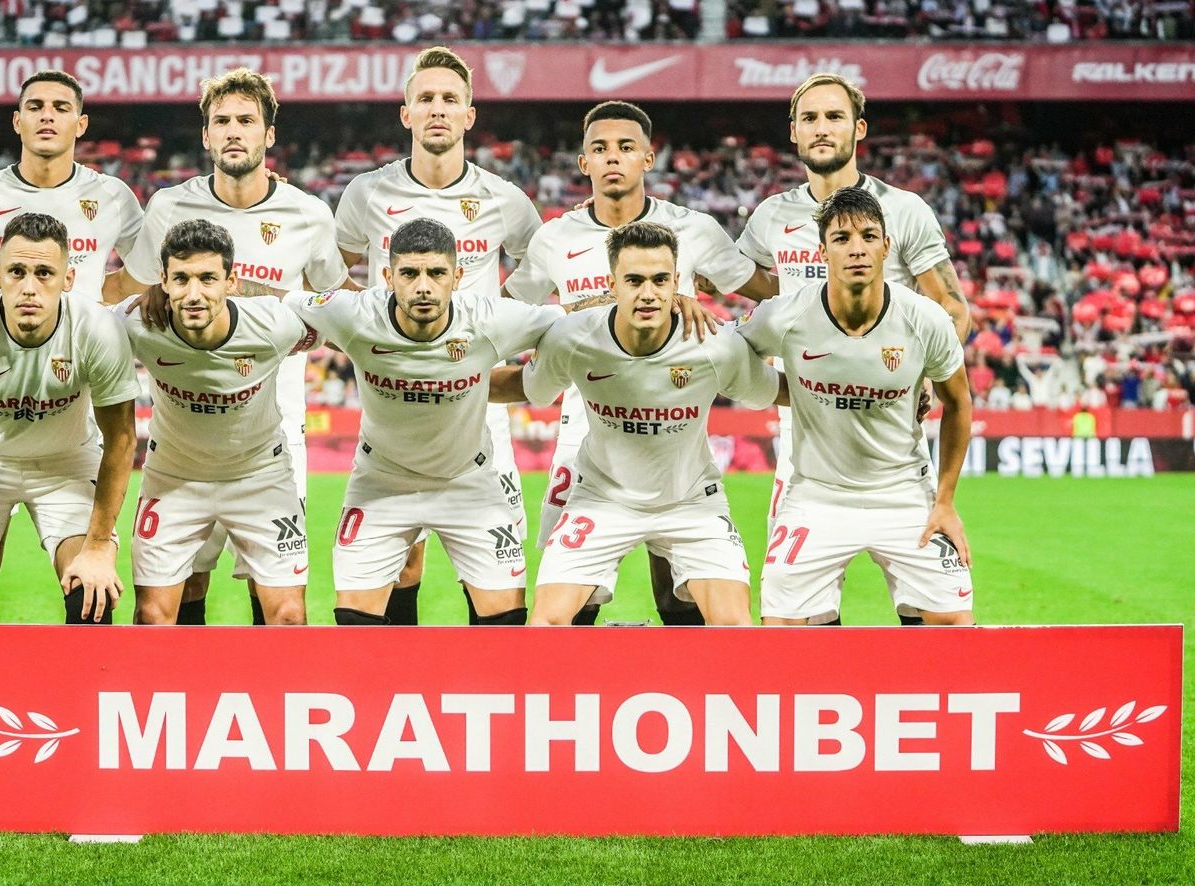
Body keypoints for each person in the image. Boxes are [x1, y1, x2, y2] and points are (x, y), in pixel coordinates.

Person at [504, 99, 777, 625]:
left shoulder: (694, 230)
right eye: (600, 149)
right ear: (583, 163)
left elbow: (768, 294)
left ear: (649, 157)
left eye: (626, 148)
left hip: (671, 414)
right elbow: (510, 316)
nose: (613, 159)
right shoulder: (554, 238)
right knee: (575, 591)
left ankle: (682, 689)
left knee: (679, 585)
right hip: (587, 417)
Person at [106, 67, 351, 625]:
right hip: (185, 427)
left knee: (272, 585)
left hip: (277, 429)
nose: (234, 131)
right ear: (206, 136)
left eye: (247, 120)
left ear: (269, 135)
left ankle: (263, 699)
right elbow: (134, 292)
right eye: (222, 121)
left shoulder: (308, 213)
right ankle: (192, 700)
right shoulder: (169, 207)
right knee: (188, 578)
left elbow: (338, 304)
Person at [737, 72, 970, 625]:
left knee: (939, 618)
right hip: (805, 441)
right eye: (810, 118)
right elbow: (755, 294)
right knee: (796, 617)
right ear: (793, 132)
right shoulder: (772, 216)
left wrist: (922, 378)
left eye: (834, 117)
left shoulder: (904, 210)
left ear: (858, 129)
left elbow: (953, 309)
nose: (822, 128)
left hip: (892, 429)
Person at [0, 69, 143, 622]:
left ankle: (77, 707)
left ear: (80, 122)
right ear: (17, 121)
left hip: (68, 427)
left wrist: (96, 307)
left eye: (60, 106)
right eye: (35, 106)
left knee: (92, 592)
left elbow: (148, 272)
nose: (47, 115)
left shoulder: (112, 196)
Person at [333, 45, 541, 623]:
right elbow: (330, 269)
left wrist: (501, 322)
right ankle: (400, 682)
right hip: (396, 395)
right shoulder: (367, 193)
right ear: (406, 114)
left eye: (450, 99)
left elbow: (541, 271)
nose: (437, 110)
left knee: (495, 580)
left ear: (469, 116)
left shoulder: (505, 200)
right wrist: (370, 328)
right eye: (425, 99)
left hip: (477, 402)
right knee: (401, 563)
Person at [284, 218, 558, 625]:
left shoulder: (489, 318)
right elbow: (283, 305)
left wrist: (537, 383)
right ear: (388, 276)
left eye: (437, 273)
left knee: (506, 623)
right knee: (355, 621)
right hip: (382, 482)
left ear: (458, 276)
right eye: (410, 273)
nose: (424, 286)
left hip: (469, 483)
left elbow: (568, 328)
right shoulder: (354, 313)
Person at [120, 219, 322, 624]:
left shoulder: (274, 323)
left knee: (289, 617)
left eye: (208, 279)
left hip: (260, 477)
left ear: (232, 282)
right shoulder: (134, 323)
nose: (194, 294)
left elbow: (344, 323)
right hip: (174, 477)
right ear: (163, 280)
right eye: (181, 279)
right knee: (152, 617)